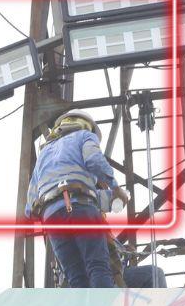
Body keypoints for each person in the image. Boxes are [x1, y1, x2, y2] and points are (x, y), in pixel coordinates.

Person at [25, 111, 130, 288]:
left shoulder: (44, 153)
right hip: (81, 206)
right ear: (87, 126)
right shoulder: (84, 136)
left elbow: (30, 207)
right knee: (98, 266)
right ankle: (103, 305)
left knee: (76, 277)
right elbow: (94, 161)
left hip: (52, 217)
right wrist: (116, 188)